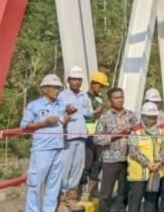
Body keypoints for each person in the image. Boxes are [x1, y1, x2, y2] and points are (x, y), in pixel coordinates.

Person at [21, 74, 72, 212]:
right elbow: (25, 126)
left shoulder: (61, 105)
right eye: (54, 88)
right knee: (36, 185)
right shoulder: (34, 105)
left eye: (58, 88)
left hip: (58, 148)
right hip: (42, 150)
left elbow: (62, 121)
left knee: (53, 186)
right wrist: (44, 123)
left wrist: (67, 117)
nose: (57, 91)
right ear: (45, 89)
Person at [95, 87, 137, 212]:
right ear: (110, 100)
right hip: (111, 157)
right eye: (116, 98)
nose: (120, 100)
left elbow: (138, 133)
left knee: (123, 192)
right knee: (106, 193)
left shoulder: (131, 115)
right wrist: (117, 135)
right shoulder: (105, 117)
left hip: (128, 157)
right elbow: (97, 139)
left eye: (121, 97)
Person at [58, 66, 93, 210]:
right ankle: (60, 198)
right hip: (67, 136)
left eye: (79, 79)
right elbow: (57, 113)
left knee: (77, 167)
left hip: (81, 135)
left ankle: (71, 197)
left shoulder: (84, 96)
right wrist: (66, 111)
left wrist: (94, 112)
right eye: (74, 79)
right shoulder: (61, 96)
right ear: (68, 80)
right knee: (65, 167)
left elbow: (88, 113)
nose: (77, 82)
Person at [127, 102, 164, 212]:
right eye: (150, 117)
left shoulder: (161, 131)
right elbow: (133, 150)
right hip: (139, 174)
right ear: (143, 117)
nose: (153, 120)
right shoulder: (135, 131)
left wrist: (159, 162)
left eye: (154, 117)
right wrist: (147, 163)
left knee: (151, 203)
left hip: (155, 173)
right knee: (135, 202)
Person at [81, 71, 109, 201]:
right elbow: (82, 115)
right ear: (93, 84)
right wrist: (94, 113)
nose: (102, 89)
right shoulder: (84, 98)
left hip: (99, 134)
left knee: (98, 163)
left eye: (103, 86)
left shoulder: (100, 98)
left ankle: (93, 190)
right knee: (87, 163)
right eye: (100, 86)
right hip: (88, 134)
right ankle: (80, 190)